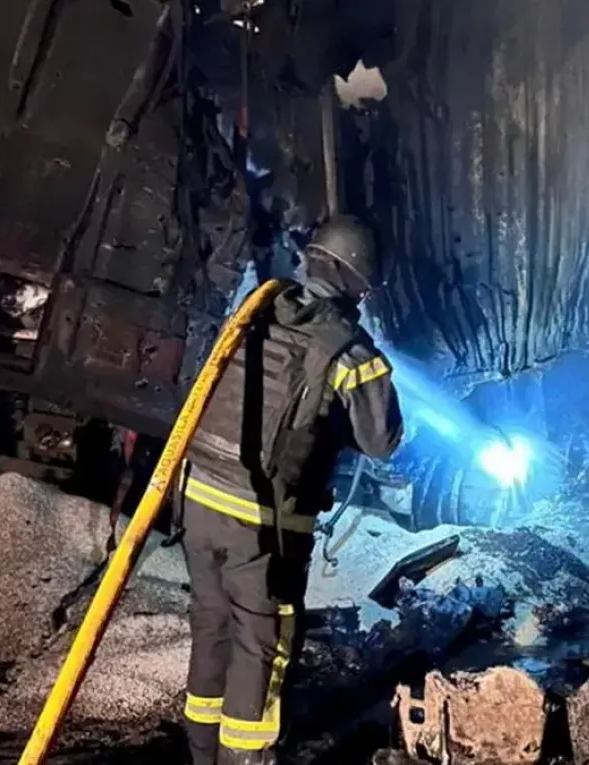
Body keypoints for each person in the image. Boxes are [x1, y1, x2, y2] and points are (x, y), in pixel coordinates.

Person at [178, 215, 404, 765]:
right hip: (261, 518)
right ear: (355, 280)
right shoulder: (348, 348)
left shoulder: (259, 308)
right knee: (260, 646)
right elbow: (383, 442)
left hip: (195, 496)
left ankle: (202, 755)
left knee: (212, 625)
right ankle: (245, 758)